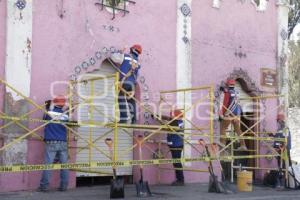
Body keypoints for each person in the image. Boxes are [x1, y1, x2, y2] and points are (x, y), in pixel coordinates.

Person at [37, 95, 69, 192]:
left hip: (51, 142)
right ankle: (64, 186)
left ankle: (44, 186)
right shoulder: (65, 115)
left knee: (48, 165)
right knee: (64, 166)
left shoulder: (48, 112)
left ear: (54, 103)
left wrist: (48, 107)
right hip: (63, 142)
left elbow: (44, 120)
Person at [110, 44, 142, 124]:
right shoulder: (138, 62)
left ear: (132, 50)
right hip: (132, 85)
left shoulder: (125, 56)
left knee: (120, 98)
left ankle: (123, 118)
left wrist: (120, 51)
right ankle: (133, 119)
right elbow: (137, 74)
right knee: (131, 101)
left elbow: (113, 57)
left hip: (125, 82)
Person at [152, 109, 185, 186]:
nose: (170, 115)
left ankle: (180, 180)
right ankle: (180, 179)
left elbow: (166, 126)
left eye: (171, 114)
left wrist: (157, 118)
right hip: (177, 144)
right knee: (177, 162)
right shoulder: (179, 121)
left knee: (177, 163)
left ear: (175, 115)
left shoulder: (175, 122)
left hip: (176, 144)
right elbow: (167, 118)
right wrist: (157, 116)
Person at [219, 79, 247, 151]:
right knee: (238, 130)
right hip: (236, 115)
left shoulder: (226, 92)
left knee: (223, 129)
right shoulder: (237, 93)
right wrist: (237, 115)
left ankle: (222, 145)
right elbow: (239, 104)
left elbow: (224, 103)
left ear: (228, 84)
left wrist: (222, 114)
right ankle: (243, 145)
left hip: (228, 113)